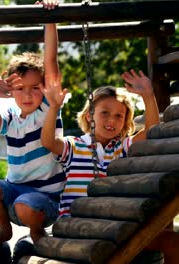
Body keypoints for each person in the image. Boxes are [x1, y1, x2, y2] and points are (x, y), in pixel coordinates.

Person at [41, 70, 179, 263]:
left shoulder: (122, 148)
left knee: (173, 241)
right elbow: (48, 142)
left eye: (119, 116)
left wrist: (148, 95)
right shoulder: (74, 145)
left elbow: (151, 132)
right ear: (90, 116)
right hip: (76, 226)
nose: (111, 120)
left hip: (116, 227)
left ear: (125, 122)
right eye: (104, 112)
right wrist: (54, 107)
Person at [0, 1, 64, 252]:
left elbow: (51, 60)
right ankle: (5, 228)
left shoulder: (47, 109)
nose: (28, 94)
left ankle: (38, 233)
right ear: (11, 91)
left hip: (44, 197)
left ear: (44, 89)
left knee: (25, 204)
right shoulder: (11, 115)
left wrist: (50, 18)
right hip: (15, 191)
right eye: (21, 89)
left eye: (35, 87)